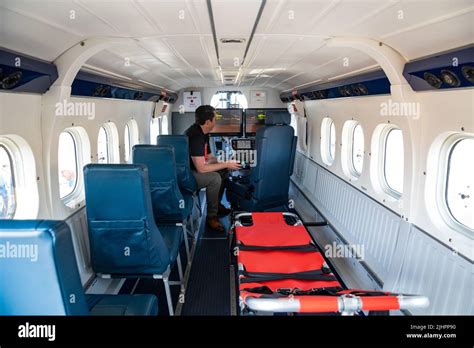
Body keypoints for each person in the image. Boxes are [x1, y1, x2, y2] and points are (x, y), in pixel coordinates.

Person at [185, 105, 241, 232]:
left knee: (223, 171)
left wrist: (227, 162)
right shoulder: (196, 136)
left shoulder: (204, 134)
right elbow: (201, 169)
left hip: (195, 169)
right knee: (214, 178)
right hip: (187, 174)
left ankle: (217, 204)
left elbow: (210, 158)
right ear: (208, 122)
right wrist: (226, 164)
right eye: (215, 119)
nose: (216, 121)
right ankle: (211, 217)